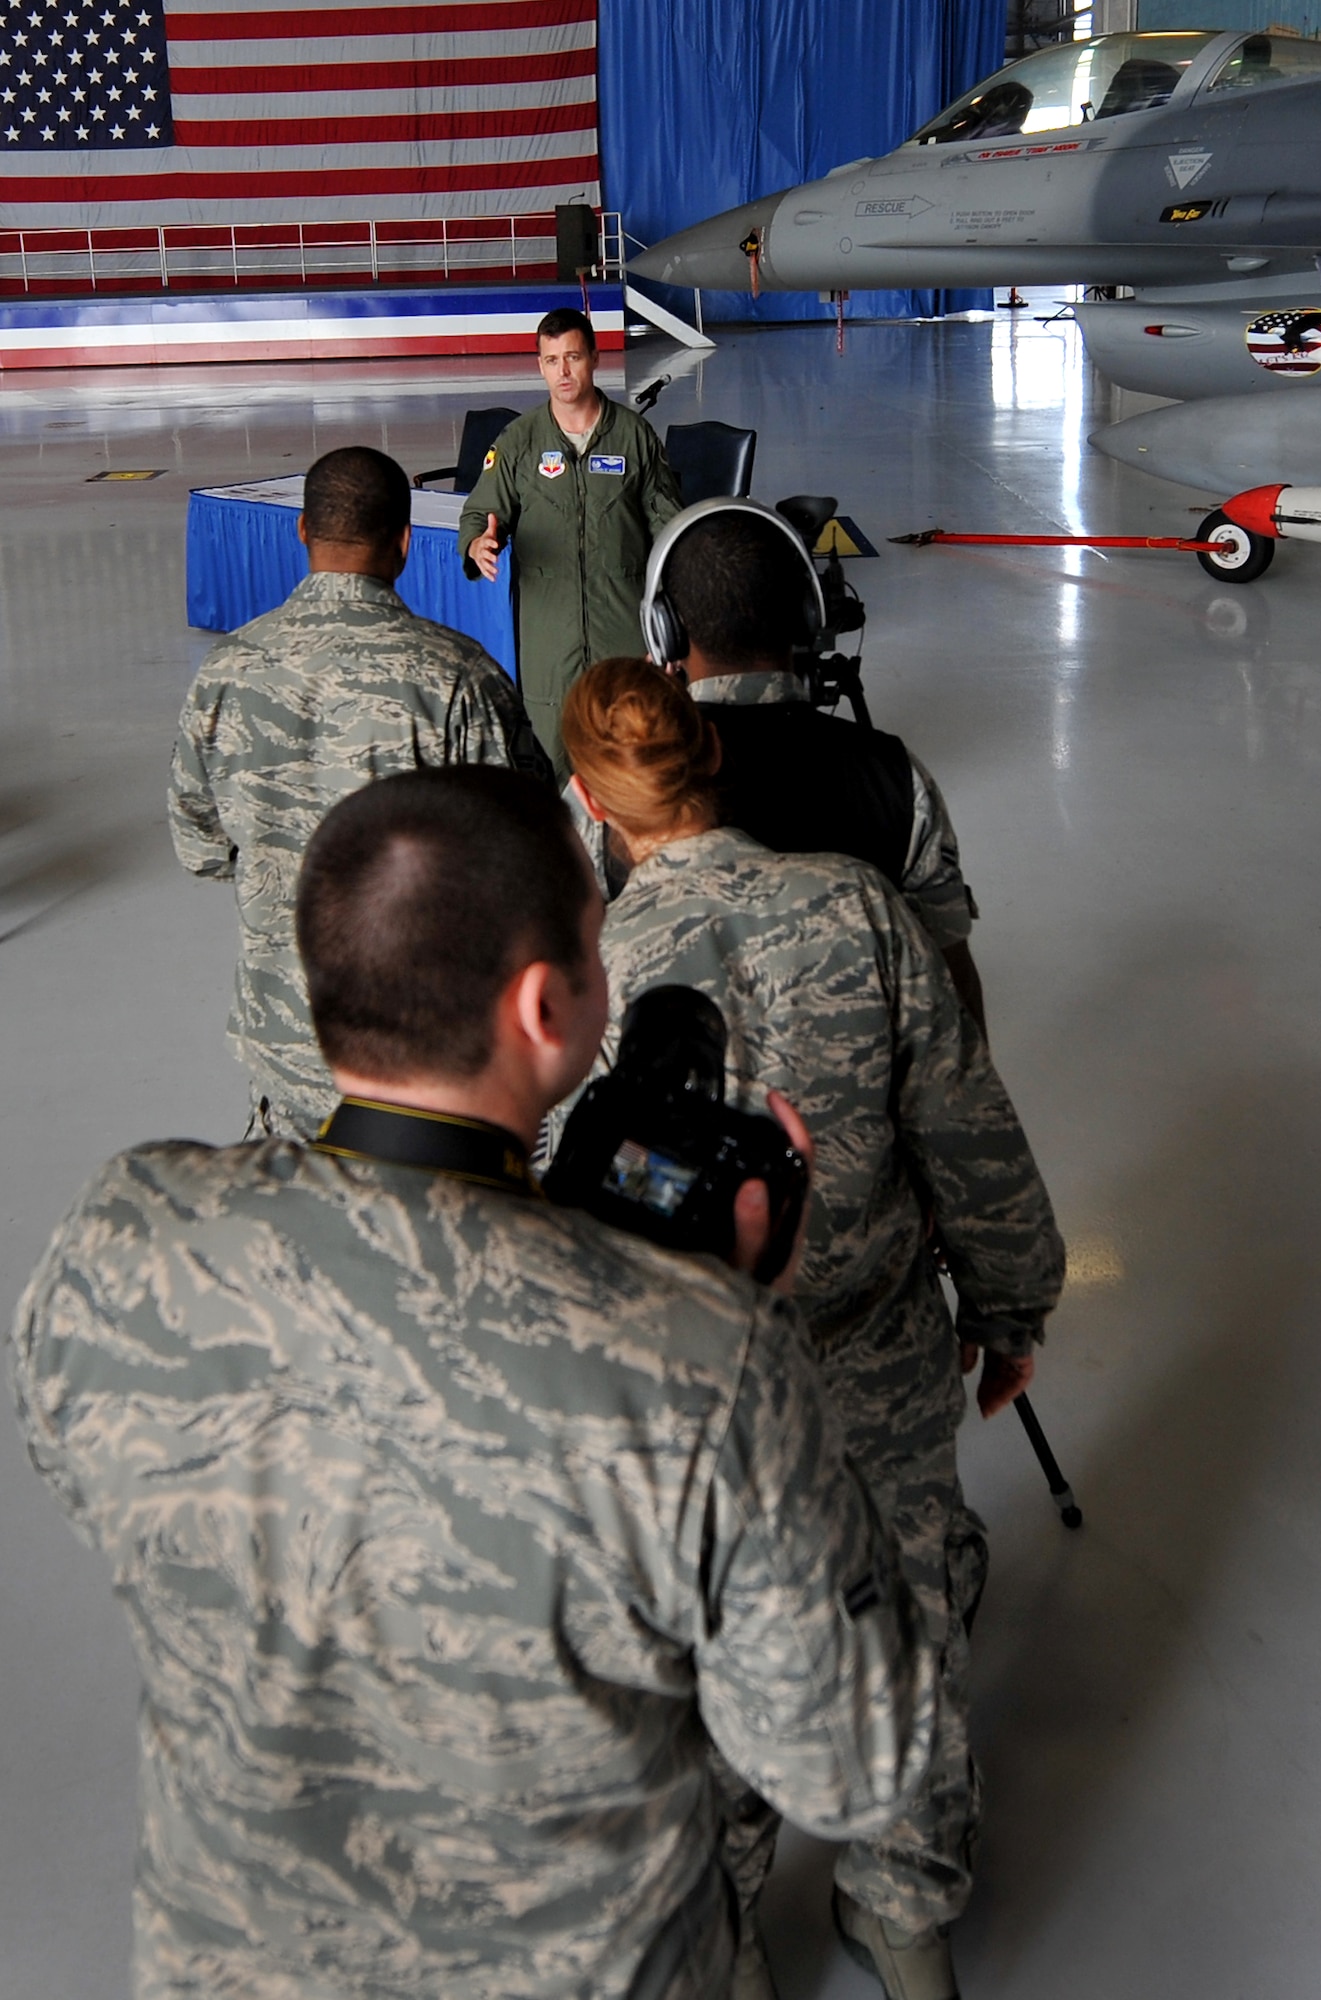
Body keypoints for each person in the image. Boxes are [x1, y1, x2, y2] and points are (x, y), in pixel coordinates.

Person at [10, 766, 941, 2000]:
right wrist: (742, 1329)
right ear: (546, 1008)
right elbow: (854, 1766)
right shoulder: (697, 1361)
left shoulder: (126, 1232)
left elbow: (98, 1463)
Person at [558, 659, 1066, 2000]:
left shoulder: (593, 975)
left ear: (589, 802)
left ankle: (719, 1918)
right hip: (881, 1345)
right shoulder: (856, 906)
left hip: (692, 1388)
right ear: (711, 761)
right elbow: (964, 1125)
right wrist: (1007, 1301)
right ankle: (902, 1904)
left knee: (699, 1638)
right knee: (902, 1618)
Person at [169, 444, 551, 1141]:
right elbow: (530, 862)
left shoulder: (226, 672)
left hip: (283, 1042)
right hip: (423, 1061)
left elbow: (198, 846)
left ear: (302, 532)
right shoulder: (458, 679)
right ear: (405, 543)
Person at [640, 498, 988, 1030]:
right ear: (810, 614)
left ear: (663, 630)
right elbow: (953, 984)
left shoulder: (616, 789)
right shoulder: (896, 778)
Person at [457, 307, 682, 781]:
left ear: (594, 358)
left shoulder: (632, 436)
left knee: (633, 764)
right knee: (552, 763)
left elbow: (670, 527)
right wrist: (477, 543)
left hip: (623, 632)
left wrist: (671, 624)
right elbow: (480, 512)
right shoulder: (519, 442)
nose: (563, 371)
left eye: (573, 357)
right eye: (552, 359)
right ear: (539, 365)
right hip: (548, 642)